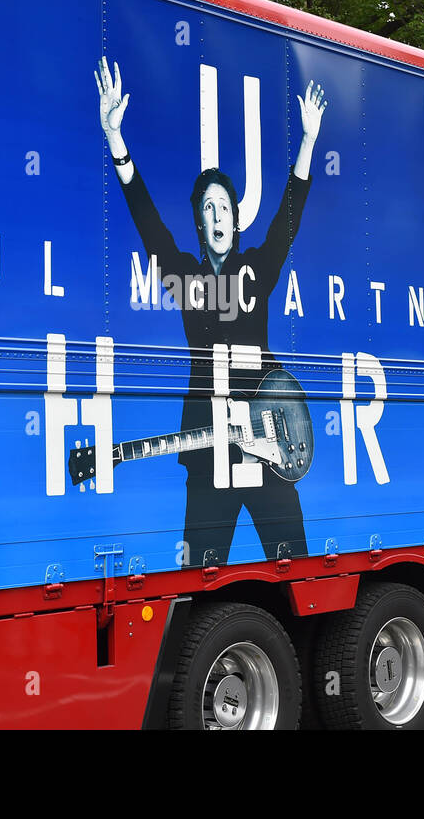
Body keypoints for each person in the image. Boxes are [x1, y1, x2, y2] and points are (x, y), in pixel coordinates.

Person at [94, 56, 326, 565]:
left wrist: (308, 141)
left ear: (236, 218)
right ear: (199, 224)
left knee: (296, 567)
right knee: (199, 573)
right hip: (209, 447)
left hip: (270, 438)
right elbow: (149, 224)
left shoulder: (256, 270)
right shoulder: (185, 277)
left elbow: (288, 219)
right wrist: (116, 139)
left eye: (224, 207)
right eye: (208, 210)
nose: (217, 216)